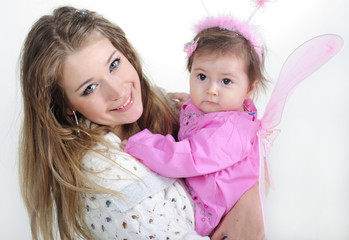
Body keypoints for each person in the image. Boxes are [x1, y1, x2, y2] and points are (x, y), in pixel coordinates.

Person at [18, 6, 265, 240]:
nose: (118, 91)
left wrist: (249, 201)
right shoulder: (110, 183)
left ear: (126, 53)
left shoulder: (169, 106)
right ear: (66, 105)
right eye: (90, 88)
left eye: (114, 64)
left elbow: (248, 142)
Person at [124, 15, 268, 236]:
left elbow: (186, 156)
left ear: (249, 89)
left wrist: (141, 144)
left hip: (206, 209)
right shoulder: (223, 109)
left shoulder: (229, 132)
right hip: (201, 190)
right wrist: (189, 103)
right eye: (202, 76)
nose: (211, 90)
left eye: (226, 81)